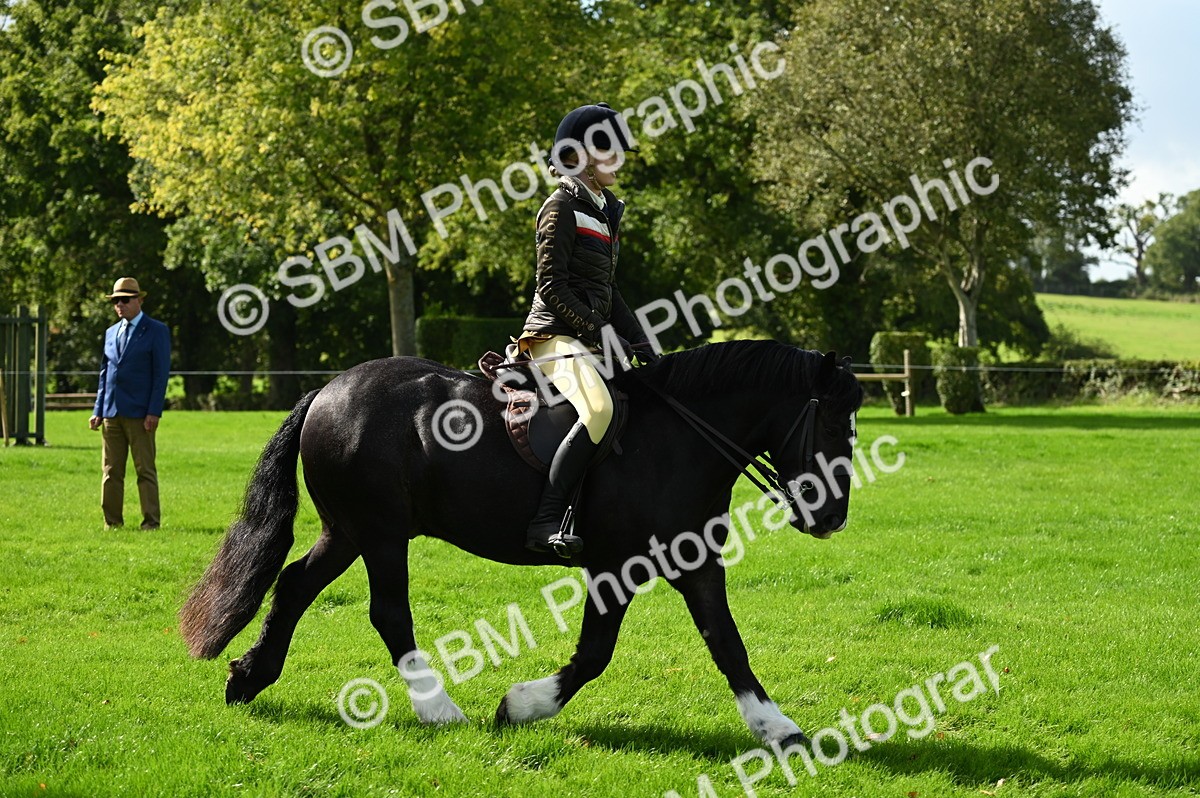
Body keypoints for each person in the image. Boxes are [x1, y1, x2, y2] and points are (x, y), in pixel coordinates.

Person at [518, 102, 658, 557]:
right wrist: (600, 332)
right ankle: (545, 522)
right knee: (598, 410)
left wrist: (640, 342)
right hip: (551, 336)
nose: (619, 159)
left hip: (586, 335)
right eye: (609, 151)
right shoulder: (560, 206)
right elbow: (551, 285)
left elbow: (607, 289)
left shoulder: (601, 211)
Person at [89, 277, 172, 530]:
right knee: (111, 471)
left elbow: (160, 375)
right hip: (112, 413)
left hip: (141, 415)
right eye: (116, 301)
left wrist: (153, 411)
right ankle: (112, 523)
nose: (120, 305)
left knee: (144, 470)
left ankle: (150, 522)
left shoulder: (156, 330)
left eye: (125, 299)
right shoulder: (111, 332)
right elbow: (105, 374)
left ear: (140, 300)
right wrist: (98, 410)